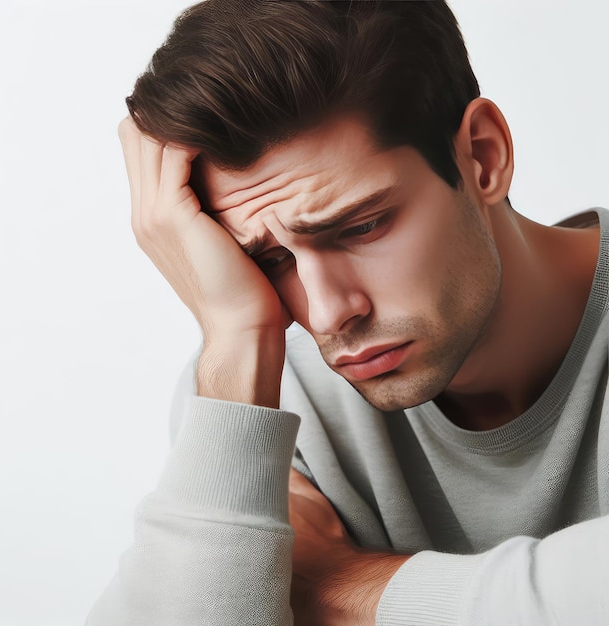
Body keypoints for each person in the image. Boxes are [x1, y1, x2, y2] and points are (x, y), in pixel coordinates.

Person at [88, 1, 609, 624]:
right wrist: (233, 338)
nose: (330, 313)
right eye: (272, 258)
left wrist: (331, 584)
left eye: (361, 226)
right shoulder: (265, 386)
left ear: (483, 156)